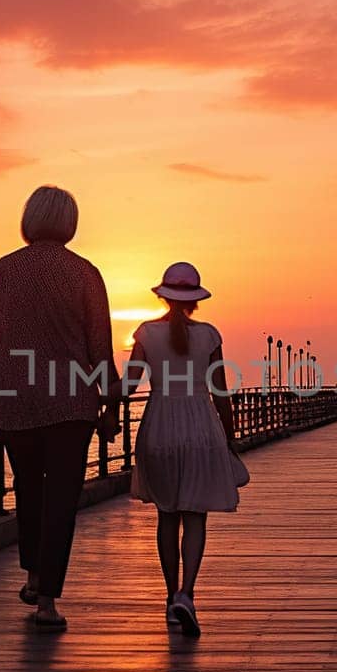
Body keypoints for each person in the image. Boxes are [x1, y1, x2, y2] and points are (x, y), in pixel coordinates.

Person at [0, 185, 120, 631]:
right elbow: (99, 346)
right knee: (60, 500)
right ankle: (47, 602)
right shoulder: (84, 273)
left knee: (27, 489)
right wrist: (111, 404)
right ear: (69, 222)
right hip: (71, 405)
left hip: (15, 402)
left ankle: (35, 575)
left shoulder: (3, 272)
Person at [123, 262, 245, 637]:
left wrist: (102, 403)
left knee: (166, 515)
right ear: (195, 301)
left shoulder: (145, 333)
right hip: (200, 428)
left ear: (162, 295)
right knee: (195, 517)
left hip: (159, 426)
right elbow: (221, 394)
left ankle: (168, 597)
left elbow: (128, 387)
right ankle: (187, 594)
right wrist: (229, 435)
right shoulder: (209, 336)